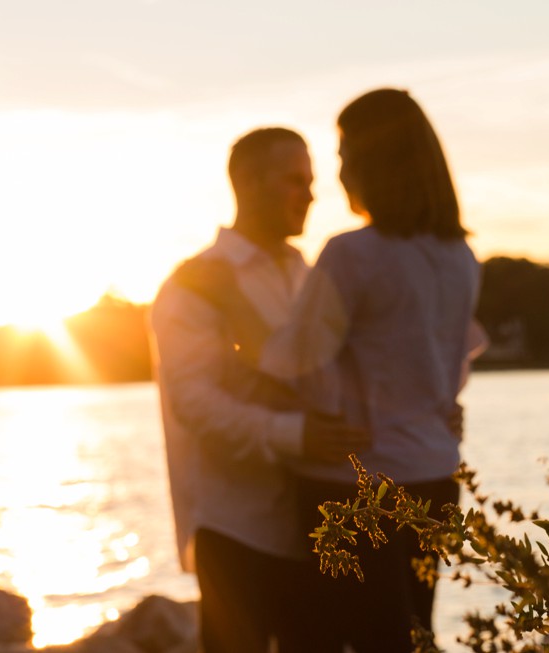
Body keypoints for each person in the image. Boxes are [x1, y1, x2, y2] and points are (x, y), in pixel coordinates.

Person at [238, 89, 484, 652]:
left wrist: (240, 330)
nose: (340, 170)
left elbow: (295, 360)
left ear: (376, 161)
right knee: (412, 636)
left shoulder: (354, 253)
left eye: (346, 152)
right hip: (435, 479)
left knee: (336, 642)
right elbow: (452, 369)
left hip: (353, 487)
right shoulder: (459, 256)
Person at [148, 127, 368, 653]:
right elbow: (194, 403)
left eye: (311, 181)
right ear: (247, 181)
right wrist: (296, 435)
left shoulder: (310, 276)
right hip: (235, 528)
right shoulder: (193, 285)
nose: (312, 194)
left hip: (315, 522)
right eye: (295, 181)